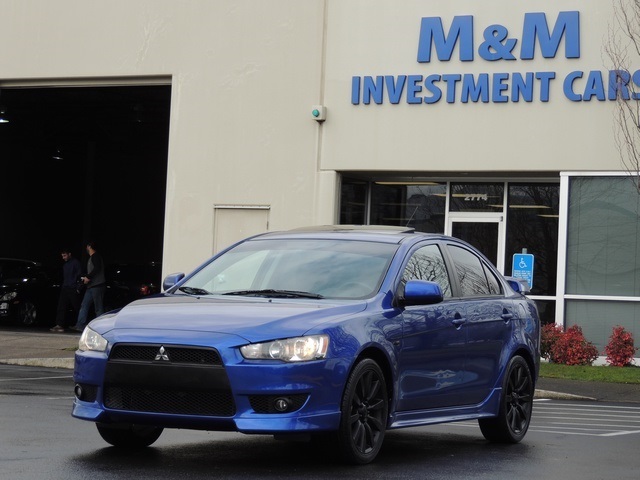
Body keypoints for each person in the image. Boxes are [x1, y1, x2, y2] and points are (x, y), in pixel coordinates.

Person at [70, 242, 106, 332]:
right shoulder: (91, 258)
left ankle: (101, 328)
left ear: (89, 247)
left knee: (98, 307)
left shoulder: (95, 256)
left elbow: (97, 268)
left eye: (87, 246)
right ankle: (80, 325)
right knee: (84, 305)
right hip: (91, 286)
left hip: (97, 285)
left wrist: (88, 277)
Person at [50, 248, 83, 333]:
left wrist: (78, 288)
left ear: (69, 254)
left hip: (72, 288)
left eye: (64, 255)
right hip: (65, 287)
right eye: (62, 256)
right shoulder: (65, 265)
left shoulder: (75, 263)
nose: (63, 257)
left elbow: (80, 275)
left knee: (77, 306)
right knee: (61, 306)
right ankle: (59, 325)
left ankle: (81, 323)